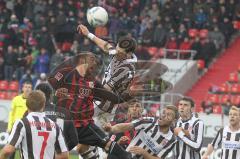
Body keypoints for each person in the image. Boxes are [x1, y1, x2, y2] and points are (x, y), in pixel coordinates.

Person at [48, 52, 132, 159]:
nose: (94, 70)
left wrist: (129, 94)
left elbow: (113, 98)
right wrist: (56, 93)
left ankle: (128, 157)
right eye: (93, 66)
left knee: (108, 144)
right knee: (58, 154)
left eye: (96, 68)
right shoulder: (68, 74)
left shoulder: (93, 82)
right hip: (66, 125)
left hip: (85, 125)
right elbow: (52, 80)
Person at [77, 24, 137, 113]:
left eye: (120, 52)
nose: (116, 52)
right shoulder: (120, 53)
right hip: (98, 101)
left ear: (129, 54)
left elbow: (106, 89)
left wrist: (86, 86)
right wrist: (88, 33)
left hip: (103, 108)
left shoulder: (126, 69)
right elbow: (105, 46)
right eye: (117, 48)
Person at [0, 90, 69, 159]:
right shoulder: (55, 126)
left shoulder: (22, 123)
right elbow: (65, 155)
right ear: (43, 105)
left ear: (27, 105)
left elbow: (8, 150)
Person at [103, 105, 178, 159]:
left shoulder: (172, 139)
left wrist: (144, 153)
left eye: (168, 115)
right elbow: (127, 126)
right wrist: (111, 128)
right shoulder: (148, 121)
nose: (164, 115)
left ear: (173, 121)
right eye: (164, 112)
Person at [35, 83, 78, 151]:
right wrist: (62, 151)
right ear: (51, 96)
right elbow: (74, 140)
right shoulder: (65, 112)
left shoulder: (31, 113)